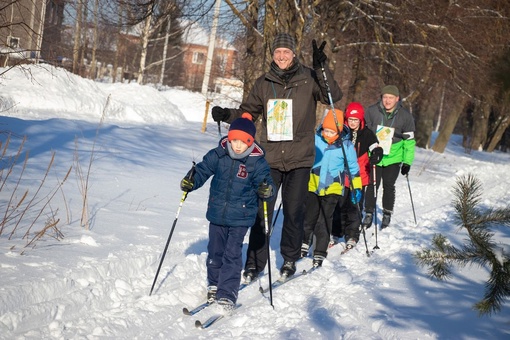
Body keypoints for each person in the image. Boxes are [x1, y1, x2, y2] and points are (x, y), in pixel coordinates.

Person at [211, 33, 342, 280]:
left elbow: (332, 97)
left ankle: (289, 259)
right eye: (277, 52)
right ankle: (254, 263)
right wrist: (227, 114)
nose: (281, 56)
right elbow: (248, 113)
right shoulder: (263, 82)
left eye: (286, 52)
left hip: (300, 159)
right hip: (269, 159)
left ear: (294, 54)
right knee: (263, 212)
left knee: (294, 212)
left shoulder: (309, 78)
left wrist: (320, 66)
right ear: (273, 54)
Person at [179, 114, 275, 314]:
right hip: (217, 214)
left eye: (243, 142)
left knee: (231, 255)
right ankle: (214, 285)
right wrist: (191, 180)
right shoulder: (219, 154)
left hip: (240, 217)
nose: (238, 145)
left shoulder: (256, 162)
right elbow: (203, 170)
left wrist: (267, 189)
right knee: (215, 252)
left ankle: (227, 294)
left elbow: (266, 182)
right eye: (235, 140)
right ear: (229, 138)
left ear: (250, 142)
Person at [300, 109, 362, 266]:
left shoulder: (346, 146)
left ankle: (320, 251)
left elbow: (353, 169)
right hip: (313, 184)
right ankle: (304, 241)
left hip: (333, 187)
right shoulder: (315, 139)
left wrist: (357, 188)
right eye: (326, 130)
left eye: (331, 131)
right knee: (309, 215)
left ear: (339, 130)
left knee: (324, 220)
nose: (327, 134)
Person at [363, 85, 416, 229]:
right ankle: (368, 212)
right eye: (385, 97)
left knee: (388, 184)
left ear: (397, 99)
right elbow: (364, 132)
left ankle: (387, 213)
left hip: (394, 156)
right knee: (373, 184)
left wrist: (407, 162)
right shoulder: (372, 111)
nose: (387, 101)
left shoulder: (405, 116)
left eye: (391, 98)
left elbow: (409, 142)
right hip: (375, 154)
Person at [331, 102, 382, 247]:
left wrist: (377, 153)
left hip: (359, 177)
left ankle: (352, 235)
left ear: (361, 120)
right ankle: (336, 233)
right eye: (350, 119)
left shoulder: (367, 133)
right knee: (339, 206)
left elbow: (375, 146)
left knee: (355, 206)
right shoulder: (341, 132)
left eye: (356, 120)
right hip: (341, 175)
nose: (353, 123)